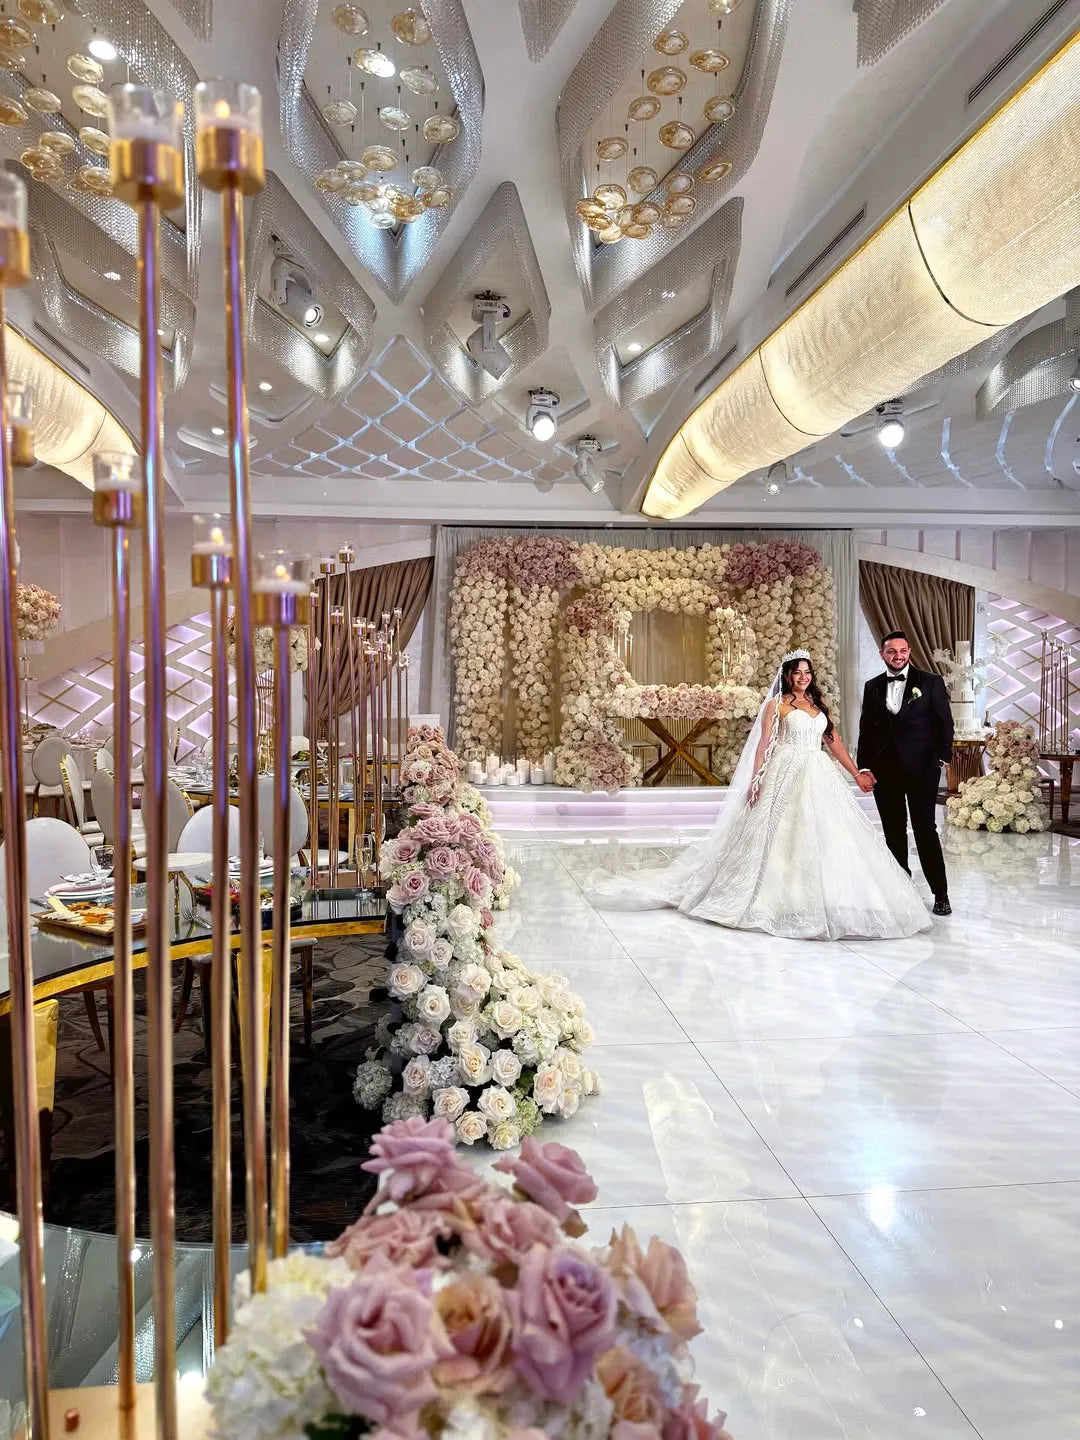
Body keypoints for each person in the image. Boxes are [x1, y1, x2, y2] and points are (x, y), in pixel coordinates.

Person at [590, 649, 930, 941]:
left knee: (822, 834)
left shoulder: (817, 705)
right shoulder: (776, 706)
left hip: (817, 772)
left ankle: (811, 895)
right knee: (777, 835)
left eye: (807, 673)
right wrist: (757, 779)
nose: (802, 678)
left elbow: (833, 742)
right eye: (797, 673)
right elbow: (764, 744)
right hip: (784, 770)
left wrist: (856, 772)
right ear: (787, 675)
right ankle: (774, 897)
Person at [856, 630, 953, 916]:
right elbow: (866, 729)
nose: (897, 656)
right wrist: (864, 765)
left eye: (902, 651)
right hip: (885, 772)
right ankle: (902, 891)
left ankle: (941, 893)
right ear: (882, 654)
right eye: (891, 651)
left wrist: (941, 759)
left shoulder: (930, 682)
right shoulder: (872, 686)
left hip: (922, 770)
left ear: (909, 652)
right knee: (893, 833)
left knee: (926, 830)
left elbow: (944, 723)